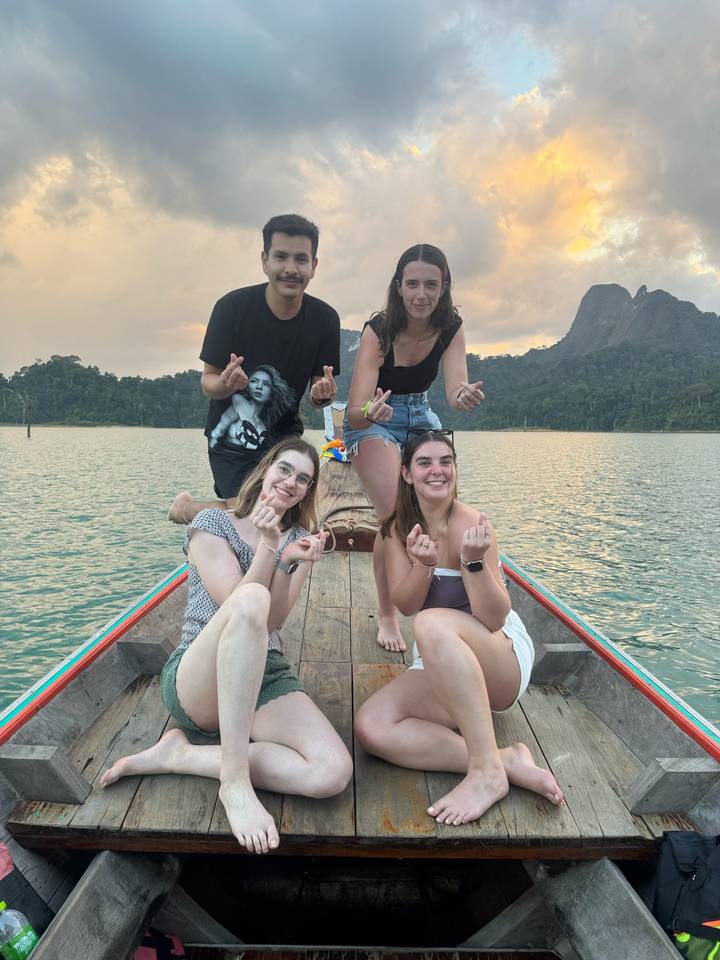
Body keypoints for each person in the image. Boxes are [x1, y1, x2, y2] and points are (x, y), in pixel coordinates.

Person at [102, 438, 353, 854]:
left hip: (262, 668)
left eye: (304, 479)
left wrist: (290, 562)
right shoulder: (211, 526)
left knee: (332, 773)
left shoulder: (299, 538)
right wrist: (270, 549)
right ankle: (233, 781)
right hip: (200, 672)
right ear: (267, 468)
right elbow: (240, 604)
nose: (291, 483)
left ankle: (179, 757)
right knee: (251, 599)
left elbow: (272, 623)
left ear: (307, 492)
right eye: (285, 470)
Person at [354, 431, 564, 825]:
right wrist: (425, 565)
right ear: (406, 473)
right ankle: (507, 760)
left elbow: (494, 618)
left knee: (431, 624)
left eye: (445, 461)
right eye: (425, 463)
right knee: (372, 727)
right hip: (440, 655)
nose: (437, 471)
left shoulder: (473, 525)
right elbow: (407, 604)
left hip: (500, 656)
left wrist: (472, 563)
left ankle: (486, 774)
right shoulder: (397, 530)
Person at [343, 244, 484, 652]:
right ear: (399, 287)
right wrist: (373, 410)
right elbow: (354, 412)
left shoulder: (451, 327)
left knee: (440, 506)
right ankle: (389, 613)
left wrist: (463, 398)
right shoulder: (379, 330)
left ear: (443, 288)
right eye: (412, 284)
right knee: (393, 522)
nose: (421, 294)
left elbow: (455, 391)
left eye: (430, 285)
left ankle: (444, 603)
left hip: (421, 414)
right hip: (375, 421)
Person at [169, 213, 340, 524]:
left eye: (301, 259)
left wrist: (322, 395)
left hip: (284, 437)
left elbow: (318, 394)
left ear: (314, 266)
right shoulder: (231, 309)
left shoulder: (325, 319)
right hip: (232, 438)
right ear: (264, 260)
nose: (291, 268)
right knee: (250, 514)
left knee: (288, 516)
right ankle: (185, 510)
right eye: (281, 257)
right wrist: (226, 384)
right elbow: (208, 382)